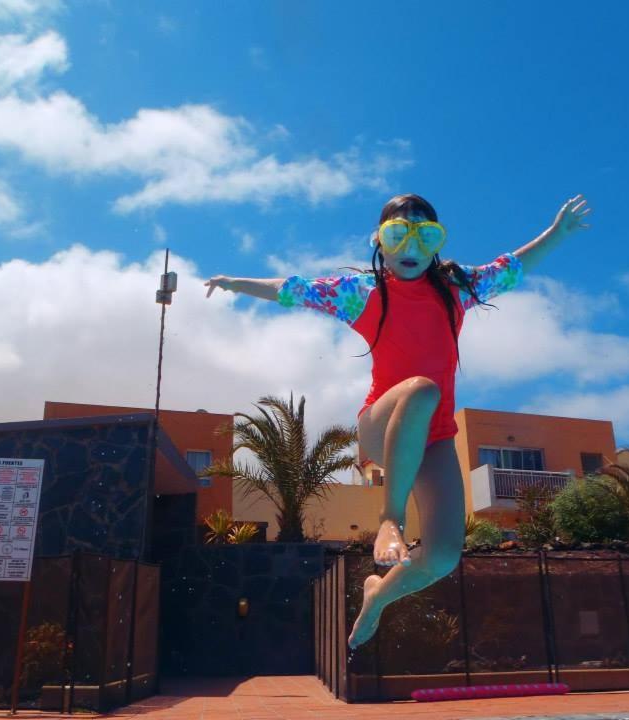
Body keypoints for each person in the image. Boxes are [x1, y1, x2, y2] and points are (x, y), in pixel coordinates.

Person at [204, 193, 590, 648]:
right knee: (423, 388)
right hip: (380, 423)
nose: (410, 245)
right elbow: (292, 288)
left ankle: (378, 598)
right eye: (396, 233)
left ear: (435, 244)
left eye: (425, 235)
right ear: (380, 242)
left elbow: (512, 267)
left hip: (434, 437)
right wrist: (234, 282)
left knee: (444, 556)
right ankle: (391, 519)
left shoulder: (455, 290)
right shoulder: (364, 294)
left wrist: (556, 233)